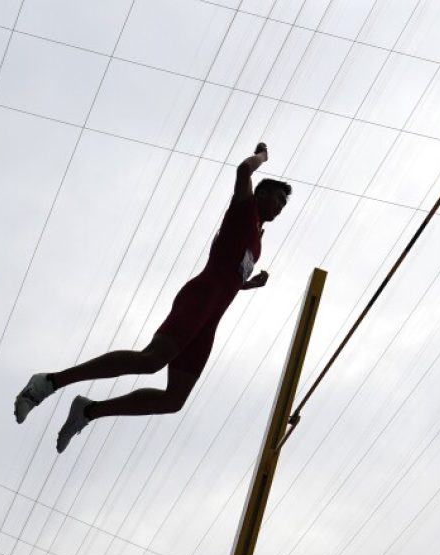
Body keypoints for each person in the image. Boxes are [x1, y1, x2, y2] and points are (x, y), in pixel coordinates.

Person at [14, 142, 291, 452]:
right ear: (261, 194)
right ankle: (48, 382)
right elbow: (242, 170)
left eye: (284, 205)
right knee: (151, 361)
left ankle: (88, 411)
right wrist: (262, 157)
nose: (280, 208)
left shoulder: (258, 235)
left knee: (174, 400)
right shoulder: (245, 207)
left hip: (212, 317)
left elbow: (231, 274)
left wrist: (248, 286)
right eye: (277, 199)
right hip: (199, 298)